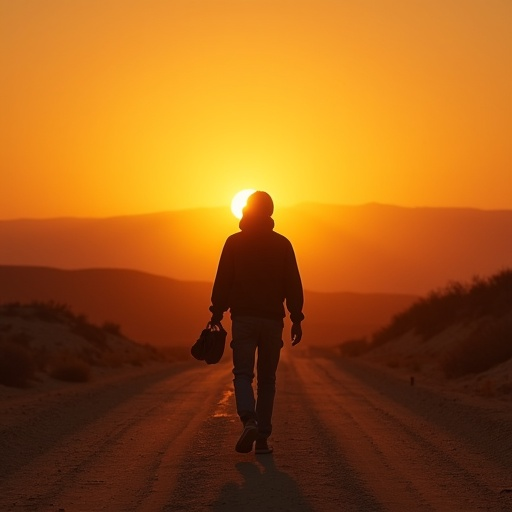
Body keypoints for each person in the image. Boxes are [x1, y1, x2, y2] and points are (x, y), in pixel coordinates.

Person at [209, 191, 304, 454]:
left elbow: (223, 281)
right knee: (267, 380)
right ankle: (262, 438)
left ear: (247, 211)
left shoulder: (234, 242)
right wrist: (296, 318)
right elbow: (293, 285)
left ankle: (248, 419)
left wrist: (216, 313)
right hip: (273, 321)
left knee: (242, 373)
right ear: (270, 212)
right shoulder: (283, 244)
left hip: (244, 318)